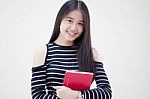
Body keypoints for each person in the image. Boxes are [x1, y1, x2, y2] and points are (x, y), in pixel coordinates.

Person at [31, 0, 112, 99]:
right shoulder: (43, 52)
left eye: (80, 24)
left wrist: (76, 95)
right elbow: (37, 95)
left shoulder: (92, 53)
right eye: (69, 21)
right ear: (60, 19)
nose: (74, 28)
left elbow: (106, 92)